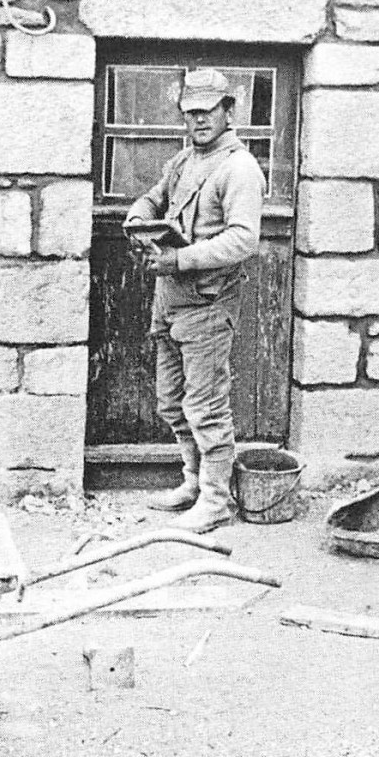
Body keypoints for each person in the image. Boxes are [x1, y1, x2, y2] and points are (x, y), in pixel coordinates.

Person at [123, 68, 264, 533]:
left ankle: (215, 499)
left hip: (208, 303)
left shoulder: (239, 168)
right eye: (191, 112)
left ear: (229, 110)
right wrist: (139, 214)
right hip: (170, 301)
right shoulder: (184, 161)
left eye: (208, 110)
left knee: (206, 406)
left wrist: (180, 260)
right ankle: (192, 481)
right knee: (172, 401)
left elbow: (243, 240)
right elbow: (154, 197)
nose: (199, 120)